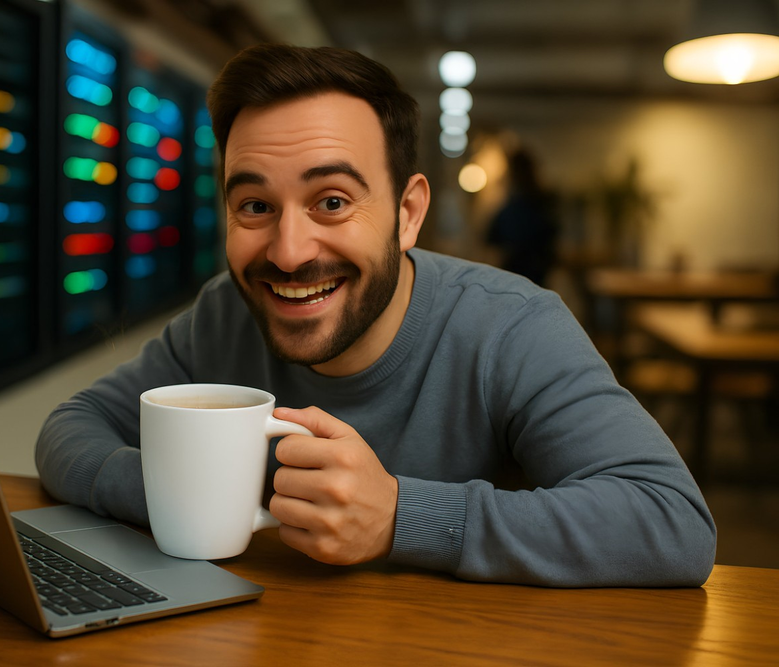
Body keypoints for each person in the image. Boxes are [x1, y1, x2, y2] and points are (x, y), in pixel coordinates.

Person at [36, 44, 716, 587]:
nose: (288, 251)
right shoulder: (224, 312)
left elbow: (672, 522)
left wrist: (398, 515)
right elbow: (70, 428)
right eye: (255, 206)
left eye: (332, 202)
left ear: (407, 214)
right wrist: (196, 501)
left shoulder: (513, 326)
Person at [485, 148, 558, 286]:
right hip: (533, 278)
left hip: (519, 277)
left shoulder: (516, 210)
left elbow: (493, 246)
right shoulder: (543, 205)